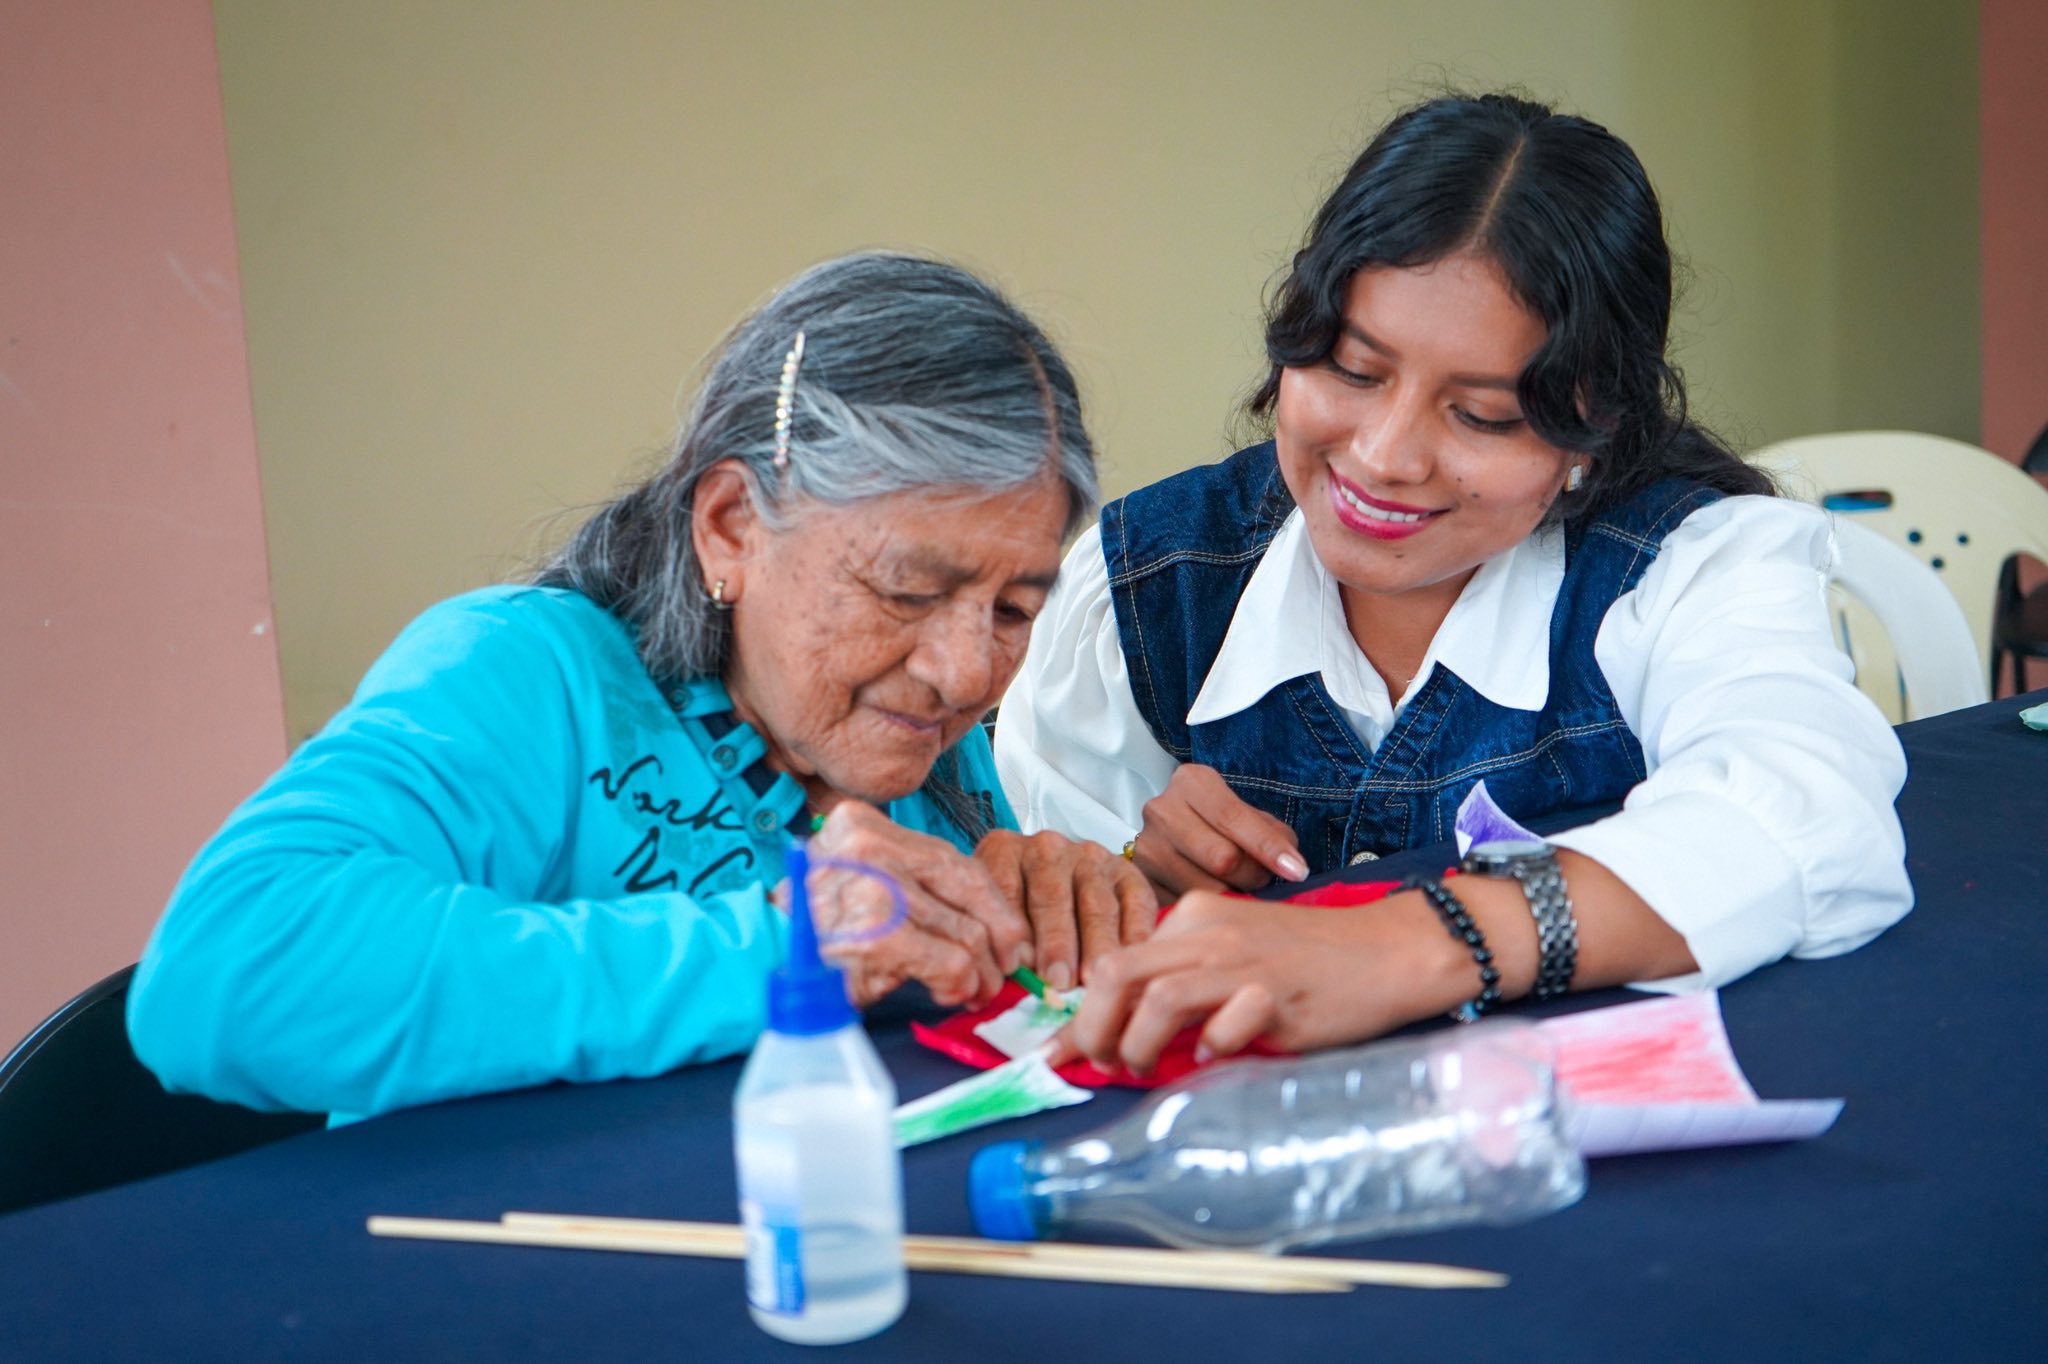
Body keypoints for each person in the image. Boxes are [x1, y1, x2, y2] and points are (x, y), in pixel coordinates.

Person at [995, 93, 1912, 1076]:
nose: (1383, 457)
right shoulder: (1142, 587)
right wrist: (1141, 879)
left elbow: (1806, 820)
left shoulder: (1690, 569)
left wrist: (1408, 944)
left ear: (1592, 431)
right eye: (1353, 370)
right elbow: (1051, 937)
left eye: (1480, 416)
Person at [129, 252, 1152, 1119]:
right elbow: (223, 975)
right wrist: (788, 942)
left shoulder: (914, 721)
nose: (966, 672)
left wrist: (1042, 911)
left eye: (1014, 608)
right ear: (731, 527)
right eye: (906, 590)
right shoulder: (529, 674)